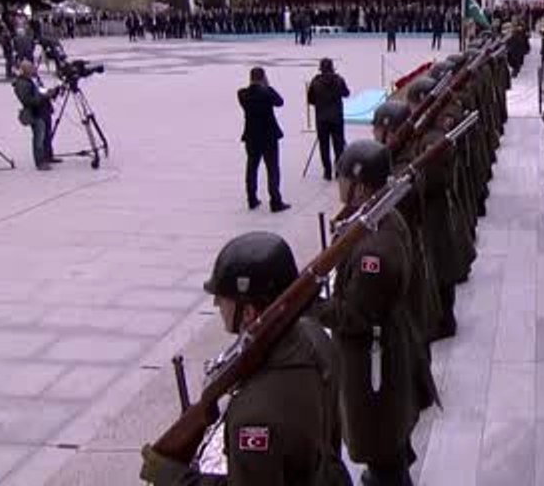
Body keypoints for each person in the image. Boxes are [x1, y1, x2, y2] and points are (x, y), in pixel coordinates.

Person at [140, 231, 351, 486]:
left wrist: (174, 478)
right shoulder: (314, 335)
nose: (217, 303)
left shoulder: (255, 417)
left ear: (249, 312)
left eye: (224, 297)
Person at [310, 140, 436, 486]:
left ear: (361, 185)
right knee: (387, 438)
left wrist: (315, 309)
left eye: (343, 179)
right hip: (386, 347)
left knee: (380, 436)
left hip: (373, 362)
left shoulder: (375, 249)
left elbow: (357, 316)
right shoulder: (381, 217)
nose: (339, 185)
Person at [238, 67, 290, 212]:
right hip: (269, 136)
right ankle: (275, 201)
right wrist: (268, 86)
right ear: (263, 78)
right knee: (272, 169)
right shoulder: (267, 93)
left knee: (251, 168)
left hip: (251, 136)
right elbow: (280, 102)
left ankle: (252, 199)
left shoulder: (242, 94)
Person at [13, 59, 61, 170]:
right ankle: (40, 162)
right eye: (31, 68)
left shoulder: (32, 80)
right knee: (39, 137)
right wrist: (44, 96)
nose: (34, 69)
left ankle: (48, 155)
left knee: (47, 135)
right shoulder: (22, 84)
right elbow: (28, 101)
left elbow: (40, 91)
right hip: (36, 113)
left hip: (44, 110)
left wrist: (51, 92)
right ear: (25, 70)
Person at [307, 58, 350, 180]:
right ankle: (338, 170)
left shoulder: (316, 81)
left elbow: (310, 99)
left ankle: (327, 171)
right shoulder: (338, 80)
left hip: (322, 118)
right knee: (339, 145)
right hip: (336, 117)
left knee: (324, 146)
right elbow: (346, 93)